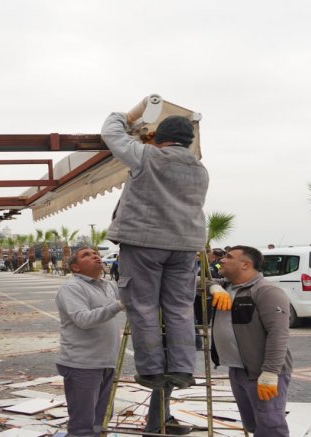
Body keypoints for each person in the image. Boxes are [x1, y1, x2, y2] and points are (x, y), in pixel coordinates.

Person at [101, 112, 209, 390]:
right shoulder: (200, 168)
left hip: (144, 242)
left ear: (159, 138)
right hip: (185, 246)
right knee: (181, 308)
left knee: (144, 307)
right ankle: (183, 370)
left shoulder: (147, 156)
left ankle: (150, 370)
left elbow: (111, 135)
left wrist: (121, 116)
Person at [212, 246, 293, 436]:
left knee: (270, 425)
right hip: (238, 370)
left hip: (262, 372)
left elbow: (278, 333)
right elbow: (192, 281)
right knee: (253, 424)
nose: (222, 260)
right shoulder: (226, 287)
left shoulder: (266, 291)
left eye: (229, 257)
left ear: (246, 264)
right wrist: (213, 287)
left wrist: (270, 373)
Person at [55, 247, 126, 437]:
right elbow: (83, 319)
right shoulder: (72, 288)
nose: (95, 255)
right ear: (75, 267)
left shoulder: (108, 286)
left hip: (107, 362)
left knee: (102, 420)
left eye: (95, 253)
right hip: (82, 365)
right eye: (86, 255)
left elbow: (129, 303)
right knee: (83, 424)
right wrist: (118, 305)